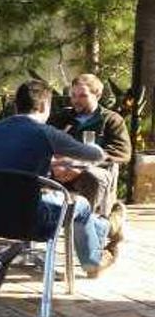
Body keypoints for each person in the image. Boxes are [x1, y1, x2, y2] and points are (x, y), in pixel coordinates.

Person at [0, 80, 125, 278]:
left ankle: (108, 227)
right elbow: (94, 155)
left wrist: (49, 162)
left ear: (16, 105)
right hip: (31, 219)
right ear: (43, 106)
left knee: (69, 203)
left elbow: (12, 163)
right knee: (81, 205)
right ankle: (96, 254)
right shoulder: (45, 132)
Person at [47, 74, 131, 215]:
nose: (76, 100)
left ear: (97, 95)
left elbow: (121, 150)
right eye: (73, 95)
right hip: (58, 169)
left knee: (92, 178)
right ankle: (43, 224)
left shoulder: (111, 120)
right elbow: (45, 143)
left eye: (82, 96)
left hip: (90, 170)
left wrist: (82, 165)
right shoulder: (60, 118)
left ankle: (84, 223)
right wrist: (54, 165)